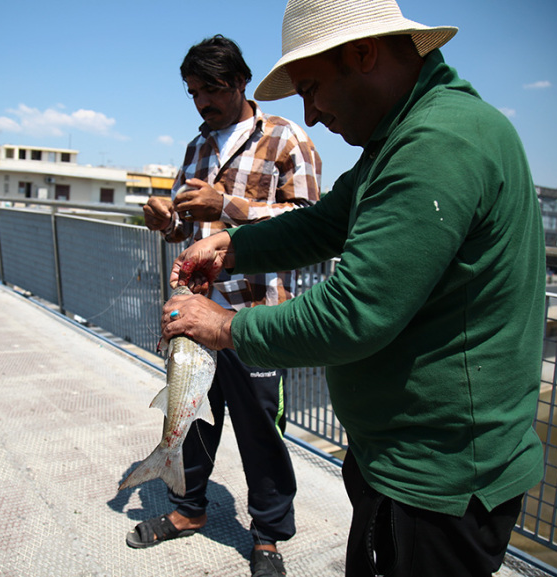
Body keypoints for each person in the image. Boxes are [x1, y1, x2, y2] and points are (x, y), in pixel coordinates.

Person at [159, 2, 546, 576]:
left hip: (438, 480)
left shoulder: (436, 143)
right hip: (400, 459)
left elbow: (354, 312)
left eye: (313, 88)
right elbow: (325, 222)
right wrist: (232, 247)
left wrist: (222, 326)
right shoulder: (403, 135)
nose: (312, 115)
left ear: (363, 54)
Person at [131, 35, 322, 576]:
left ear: (240, 81)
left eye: (211, 90)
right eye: (193, 93)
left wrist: (229, 205)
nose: (202, 103)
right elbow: (187, 231)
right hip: (193, 314)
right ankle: (189, 510)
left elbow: (310, 225)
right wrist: (167, 220)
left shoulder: (287, 139)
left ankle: (267, 537)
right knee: (188, 419)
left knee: (261, 430)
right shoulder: (196, 147)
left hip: (254, 318)